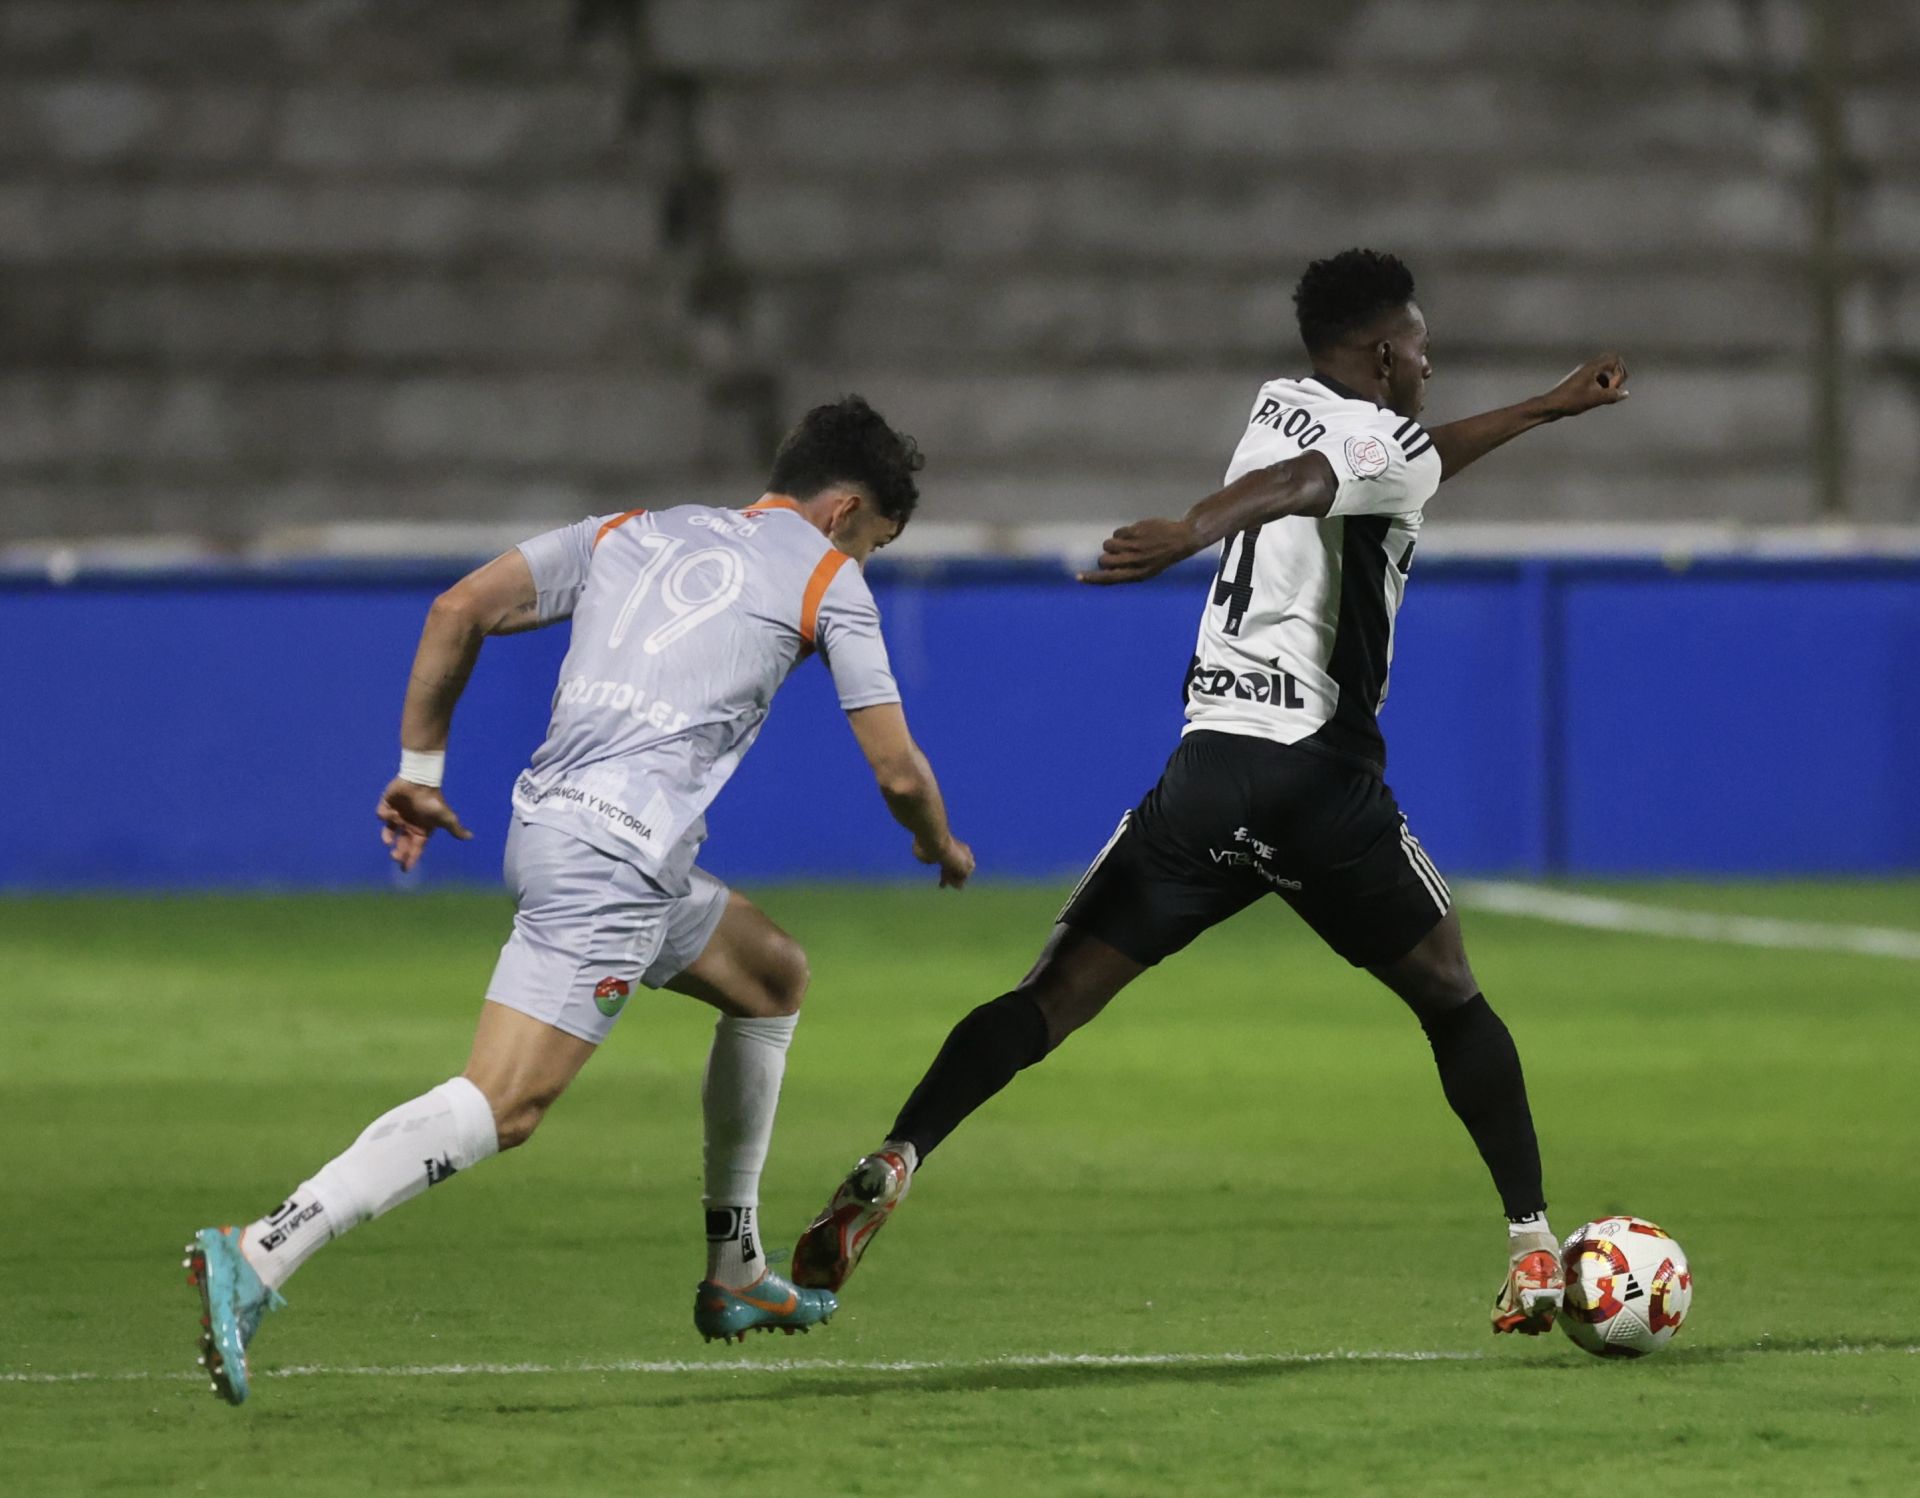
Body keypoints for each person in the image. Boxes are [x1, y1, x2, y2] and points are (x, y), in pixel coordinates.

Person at [792, 250, 1629, 1337]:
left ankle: (900, 1152)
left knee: (1047, 996)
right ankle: (1530, 1248)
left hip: (1208, 775)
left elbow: (1389, 464)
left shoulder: (1281, 404)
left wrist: (1547, 408)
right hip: (1318, 779)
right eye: (1421, 349)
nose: (1429, 367)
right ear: (1383, 354)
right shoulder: (1362, 447)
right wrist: (1191, 528)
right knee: (1452, 995)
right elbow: (1323, 484)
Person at [184, 395, 974, 1405]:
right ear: (842, 512)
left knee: (771, 975)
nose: (864, 562)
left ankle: (736, 1268)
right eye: (872, 543)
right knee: (502, 1104)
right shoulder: (827, 577)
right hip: (613, 865)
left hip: (554, 829)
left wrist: (419, 766)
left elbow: (457, 607)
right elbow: (899, 770)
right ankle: (262, 1246)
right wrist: (937, 842)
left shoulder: (631, 531)